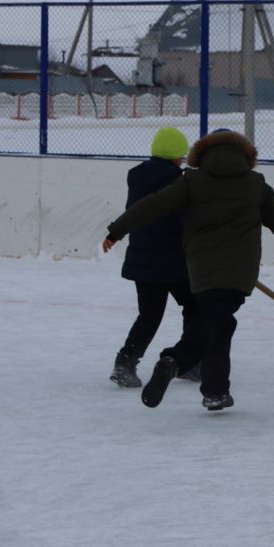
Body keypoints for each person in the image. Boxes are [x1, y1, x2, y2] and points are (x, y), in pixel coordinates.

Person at [102, 129, 274, 413]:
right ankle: (177, 361)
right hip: (237, 272)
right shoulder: (255, 184)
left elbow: (152, 205)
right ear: (245, 156)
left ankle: (214, 389)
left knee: (216, 322)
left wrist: (117, 230)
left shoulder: (191, 182)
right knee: (214, 323)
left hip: (201, 270)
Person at [108, 126, 198, 388]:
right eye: (181, 155)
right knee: (194, 308)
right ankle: (189, 361)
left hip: (142, 259)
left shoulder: (138, 178)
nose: (182, 159)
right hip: (174, 261)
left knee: (149, 315)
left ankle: (125, 361)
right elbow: (185, 221)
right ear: (175, 156)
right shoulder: (178, 183)